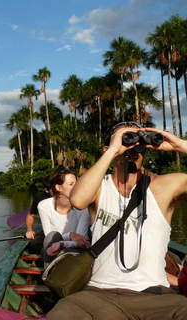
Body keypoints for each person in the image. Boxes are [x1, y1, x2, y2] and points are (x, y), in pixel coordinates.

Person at [47, 122, 187, 320]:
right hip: (99, 294)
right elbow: (77, 200)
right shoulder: (98, 187)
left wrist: (180, 145)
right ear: (109, 149)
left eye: (137, 141)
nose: (132, 148)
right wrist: (113, 150)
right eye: (126, 139)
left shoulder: (164, 186)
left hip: (157, 297)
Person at [37, 169, 90, 267]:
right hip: (51, 249)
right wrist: (70, 235)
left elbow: (81, 242)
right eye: (71, 184)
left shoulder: (83, 209)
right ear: (58, 187)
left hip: (71, 251)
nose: (77, 187)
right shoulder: (43, 206)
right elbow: (50, 237)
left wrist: (64, 241)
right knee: (53, 236)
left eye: (76, 183)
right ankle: (48, 274)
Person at [25, 176, 54, 253]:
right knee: (33, 244)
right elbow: (31, 215)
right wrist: (29, 230)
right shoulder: (40, 199)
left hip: (66, 231)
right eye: (54, 190)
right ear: (46, 190)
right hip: (47, 232)